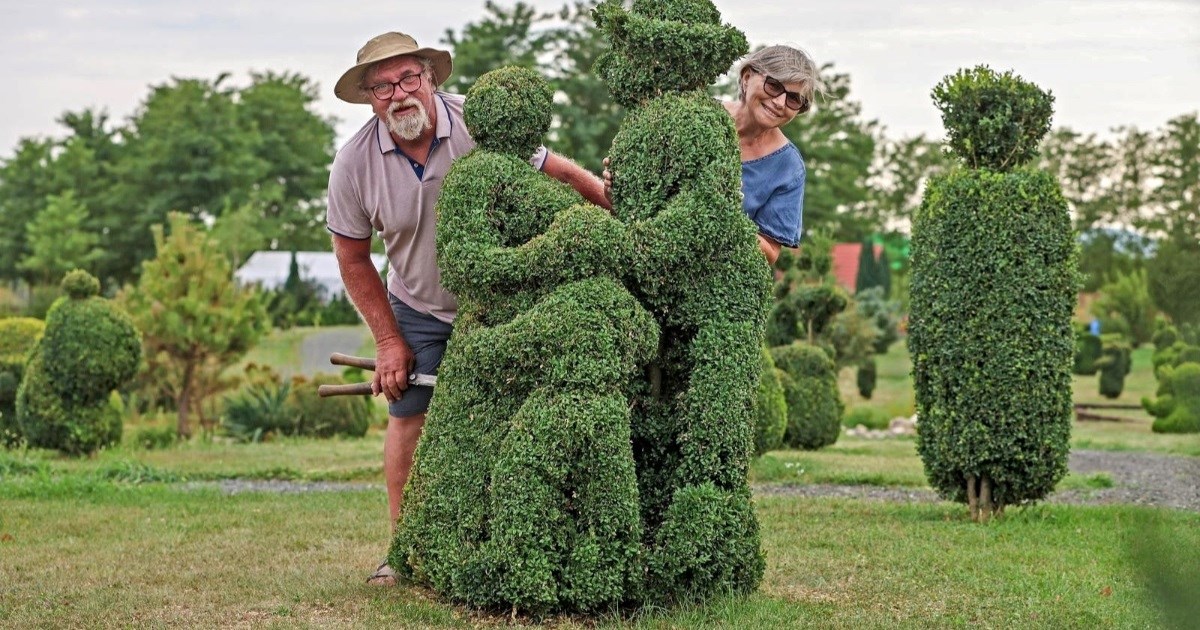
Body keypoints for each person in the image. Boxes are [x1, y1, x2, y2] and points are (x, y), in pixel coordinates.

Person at [325, 32, 607, 586]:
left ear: (430, 79)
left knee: (520, 416)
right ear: (369, 97)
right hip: (420, 305)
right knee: (410, 415)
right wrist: (388, 342)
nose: (399, 94)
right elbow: (353, 258)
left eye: (409, 78)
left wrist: (616, 208)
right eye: (383, 86)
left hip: (502, 306)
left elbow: (558, 171)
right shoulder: (353, 164)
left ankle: (516, 534)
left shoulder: (481, 125)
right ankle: (402, 553)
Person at [604, 45, 818, 266]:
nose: (779, 102)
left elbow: (770, 253)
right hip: (641, 255)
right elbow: (633, 202)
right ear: (746, 78)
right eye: (773, 86)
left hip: (711, 278)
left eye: (793, 99)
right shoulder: (693, 115)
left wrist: (720, 213)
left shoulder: (789, 167)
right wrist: (618, 188)